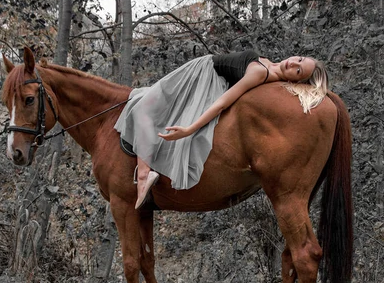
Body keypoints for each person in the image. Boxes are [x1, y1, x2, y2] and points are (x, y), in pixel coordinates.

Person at [114, 49, 328, 209]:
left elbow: (223, 103)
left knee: (142, 107)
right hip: (205, 74)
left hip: (202, 75)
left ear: (296, 80)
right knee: (149, 101)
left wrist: (190, 129)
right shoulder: (269, 67)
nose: (292, 63)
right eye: (299, 59)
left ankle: (143, 174)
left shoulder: (260, 73)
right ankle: (145, 171)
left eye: (298, 70)